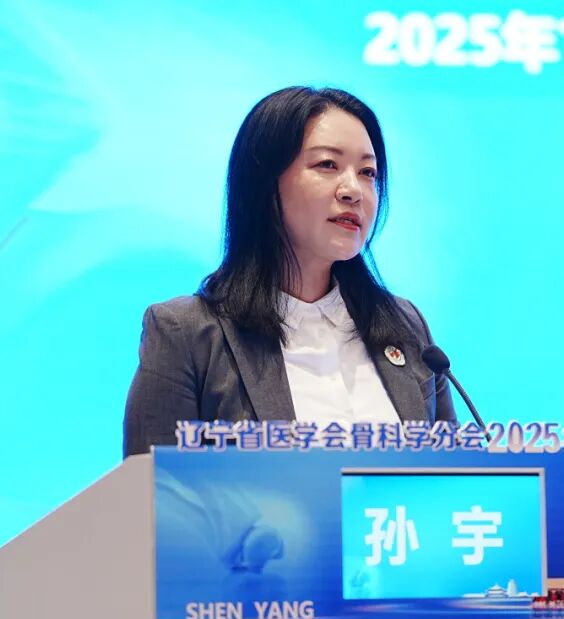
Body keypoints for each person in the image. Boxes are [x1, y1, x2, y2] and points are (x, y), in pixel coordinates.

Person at [123, 86, 456, 457]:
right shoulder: (186, 335)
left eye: (367, 172)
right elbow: (150, 487)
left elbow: (455, 479)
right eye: (327, 165)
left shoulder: (406, 327)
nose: (354, 190)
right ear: (265, 183)